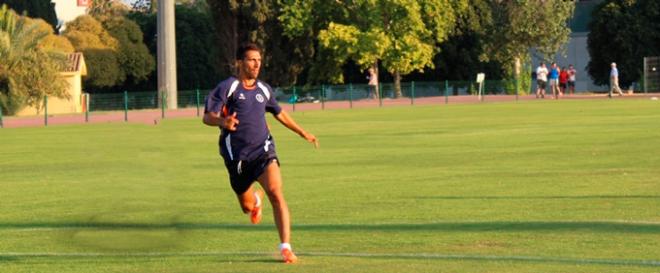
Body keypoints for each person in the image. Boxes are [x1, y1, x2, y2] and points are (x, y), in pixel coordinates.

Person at [203, 42, 319, 264]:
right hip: (236, 157)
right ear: (240, 62)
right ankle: (256, 201)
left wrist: (302, 132)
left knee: (276, 191)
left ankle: (285, 246)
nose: (257, 64)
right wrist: (222, 121)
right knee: (246, 207)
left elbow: (280, 113)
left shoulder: (263, 89)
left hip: (263, 151)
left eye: (259, 60)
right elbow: (207, 117)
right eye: (251, 60)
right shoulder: (228, 87)